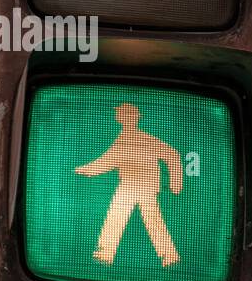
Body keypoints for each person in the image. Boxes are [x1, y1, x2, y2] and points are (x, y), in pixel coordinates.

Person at [75, 102, 182, 267]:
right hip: (129, 186)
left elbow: (172, 154)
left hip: (142, 187)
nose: (118, 116)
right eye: (119, 113)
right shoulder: (123, 139)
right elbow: (108, 160)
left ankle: (169, 257)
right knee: (119, 218)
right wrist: (87, 169)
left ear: (130, 118)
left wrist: (176, 183)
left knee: (146, 220)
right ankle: (105, 254)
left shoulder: (143, 138)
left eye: (121, 113)